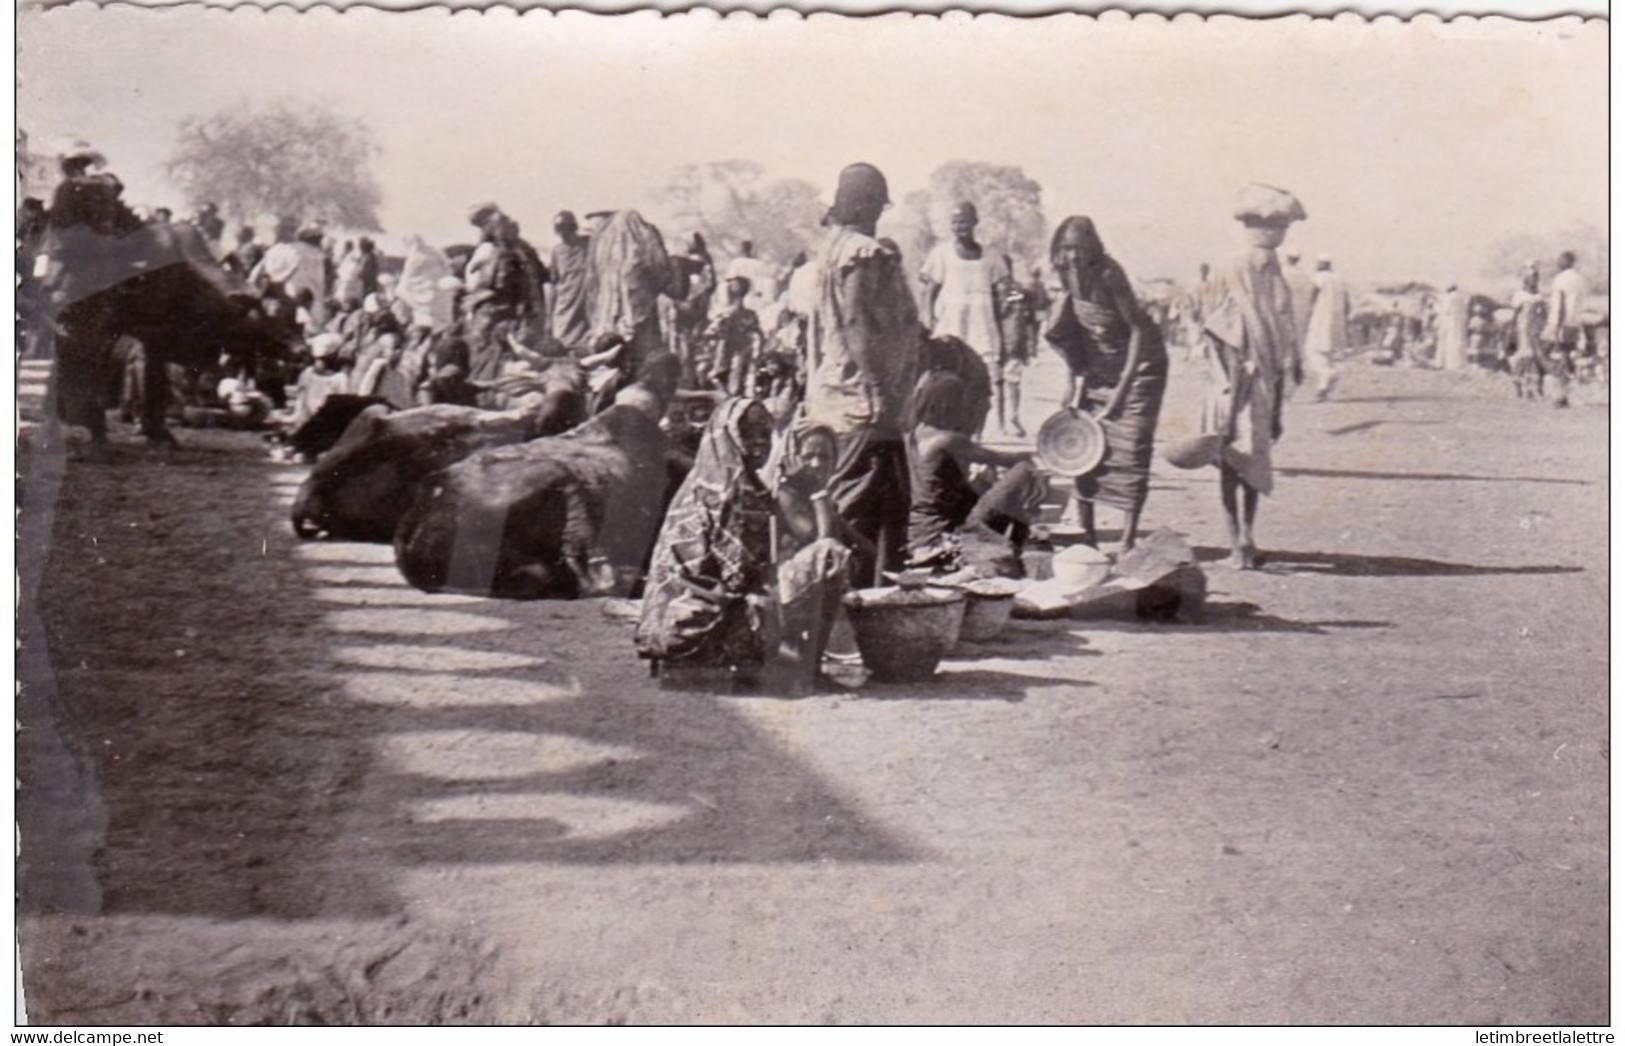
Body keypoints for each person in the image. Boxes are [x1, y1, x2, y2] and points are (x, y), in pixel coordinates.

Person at [803, 162, 922, 588]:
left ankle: (864, 599)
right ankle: (856, 603)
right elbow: (856, 322)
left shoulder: (832, 247)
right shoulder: (860, 251)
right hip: (861, 399)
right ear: (867, 204)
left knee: (872, 499)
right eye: (874, 204)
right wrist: (877, 386)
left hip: (838, 394)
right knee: (864, 505)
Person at [1043, 216, 1170, 552]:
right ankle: (1088, 537)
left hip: (1141, 365)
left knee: (1131, 448)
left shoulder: (1109, 274)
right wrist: (1073, 382)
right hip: (1099, 366)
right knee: (1084, 446)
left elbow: (1139, 330)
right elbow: (1074, 329)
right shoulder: (1064, 272)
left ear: (1092, 246)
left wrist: (1123, 390)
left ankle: (1127, 540)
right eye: (1066, 248)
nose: (1072, 255)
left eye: (1078, 247)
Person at [635, 398, 778, 689]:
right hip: (696, 623)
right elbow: (738, 573)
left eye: (764, 433)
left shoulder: (700, 480)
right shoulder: (733, 488)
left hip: (669, 618)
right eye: (748, 433)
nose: (759, 442)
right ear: (729, 434)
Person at [1198, 183, 1306, 570]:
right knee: (1241, 455)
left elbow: (1277, 327)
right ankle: (1240, 539)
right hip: (1238, 380)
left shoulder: (1270, 271)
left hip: (1252, 380)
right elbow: (1219, 326)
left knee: (1245, 458)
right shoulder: (1239, 267)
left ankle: (1242, 540)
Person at [904, 371, 1046, 574]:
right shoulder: (947, 439)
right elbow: (1005, 459)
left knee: (984, 483)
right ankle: (1022, 544)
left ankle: (1017, 546)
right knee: (1024, 471)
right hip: (942, 530)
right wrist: (1037, 452)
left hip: (920, 528)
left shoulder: (914, 434)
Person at [920, 202, 1005, 435]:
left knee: (980, 389)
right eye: (955, 222)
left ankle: (974, 440)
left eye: (965, 221)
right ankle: (945, 438)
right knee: (947, 386)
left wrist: (1009, 324)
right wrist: (928, 322)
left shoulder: (991, 256)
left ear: (975, 222)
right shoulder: (941, 254)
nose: (960, 226)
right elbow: (929, 292)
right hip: (951, 330)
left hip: (982, 331)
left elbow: (1004, 294)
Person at [994, 263, 1044, 437]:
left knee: (1008, 383)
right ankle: (1005, 422)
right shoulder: (994, 292)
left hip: (1009, 346)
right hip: (1001, 345)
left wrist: (1031, 347)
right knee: (1003, 384)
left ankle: (1009, 419)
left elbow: (1030, 322)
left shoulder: (1018, 293)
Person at [1541, 251, 1588, 408]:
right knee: (1567, 357)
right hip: (1574, 323)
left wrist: (1555, 328)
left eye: (1560, 261)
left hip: (1560, 323)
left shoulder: (1560, 279)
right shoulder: (1580, 279)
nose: (1557, 263)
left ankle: (1558, 395)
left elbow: (1560, 304)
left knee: (1552, 355)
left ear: (1566, 262)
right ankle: (1567, 394)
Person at [702, 276, 764, 395]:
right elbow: (758, 335)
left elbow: (710, 334)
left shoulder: (726, 313)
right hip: (738, 352)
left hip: (730, 353)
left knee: (724, 378)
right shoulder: (748, 314)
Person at [1302, 255, 1350, 401]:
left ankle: (1328, 374)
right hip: (1336, 321)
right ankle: (1323, 389)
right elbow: (1347, 304)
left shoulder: (1317, 278)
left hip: (1320, 319)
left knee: (1312, 352)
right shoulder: (1339, 280)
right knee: (1327, 355)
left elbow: (1311, 297)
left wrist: (1306, 313)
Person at [547, 210, 594, 354]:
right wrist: (549, 314)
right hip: (565, 304)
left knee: (587, 343)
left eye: (566, 228)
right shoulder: (557, 251)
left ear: (573, 228)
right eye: (559, 229)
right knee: (561, 341)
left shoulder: (588, 244)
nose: (563, 233)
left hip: (585, 303)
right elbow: (554, 284)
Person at [1436, 284, 1469, 371]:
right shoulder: (1462, 297)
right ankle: (1458, 363)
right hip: (1459, 322)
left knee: (1448, 341)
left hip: (1449, 321)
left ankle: (1448, 363)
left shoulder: (1448, 297)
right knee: (1458, 341)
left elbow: (1445, 310)